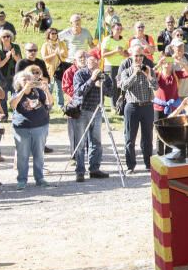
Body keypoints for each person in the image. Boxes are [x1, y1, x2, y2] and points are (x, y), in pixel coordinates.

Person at [70, 53, 112, 182]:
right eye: (89, 59)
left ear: (99, 61)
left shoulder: (104, 75)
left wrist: (102, 86)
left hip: (97, 110)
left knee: (96, 142)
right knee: (81, 142)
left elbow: (111, 93)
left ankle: (94, 169)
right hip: (82, 111)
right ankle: (80, 171)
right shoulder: (80, 74)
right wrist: (92, 79)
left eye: (94, 59)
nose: (91, 61)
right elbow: (78, 92)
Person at [117, 44, 158, 173]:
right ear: (131, 56)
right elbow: (123, 86)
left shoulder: (149, 69)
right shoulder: (126, 71)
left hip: (147, 106)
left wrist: (149, 76)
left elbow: (156, 87)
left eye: (141, 55)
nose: (139, 58)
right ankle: (130, 165)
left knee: (148, 137)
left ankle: (148, 163)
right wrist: (135, 74)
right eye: (136, 55)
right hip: (132, 107)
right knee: (130, 137)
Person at [10, 71, 53, 190]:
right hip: (22, 127)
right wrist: (24, 90)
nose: (26, 81)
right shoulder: (17, 93)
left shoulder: (38, 92)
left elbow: (50, 103)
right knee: (22, 155)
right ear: (18, 82)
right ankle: (22, 180)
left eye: (28, 79)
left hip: (40, 125)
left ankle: (39, 178)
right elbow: (12, 105)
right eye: (23, 79)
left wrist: (46, 90)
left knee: (39, 153)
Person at [152, 56, 181, 156]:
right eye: (164, 62)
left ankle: (169, 155)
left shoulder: (175, 75)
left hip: (172, 108)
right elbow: (147, 73)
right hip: (158, 108)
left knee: (171, 132)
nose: (167, 64)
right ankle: (160, 155)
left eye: (169, 62)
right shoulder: (157, 74)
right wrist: (158, 64)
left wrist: (180, 62)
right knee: (159, 133)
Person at [100, 22, 128, 112]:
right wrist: (115, 51)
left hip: (122, 66)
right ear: (112, 29)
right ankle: (113, 106)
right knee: (113, 86)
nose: (119, 31)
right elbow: (103, 54)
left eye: (120, 29)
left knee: (121, 85)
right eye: (117, 29)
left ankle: (120, 105)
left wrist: (122, 53)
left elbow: (127, 54)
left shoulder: (124, 40)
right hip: (110, 66)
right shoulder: (107, 39)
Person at [41, 28, 68, 108]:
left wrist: (60, 54)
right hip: (49, 70)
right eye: (52, 33)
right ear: (48, 35)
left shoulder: (62, 43)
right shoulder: (45, 45)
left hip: (60, 69)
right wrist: (55, 54)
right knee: (49, 88)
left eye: (55, 33)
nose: (54, 35)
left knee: (60, 89)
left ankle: (61, 105)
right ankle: (48, 104)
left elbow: (66, 55)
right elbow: (44, 58)